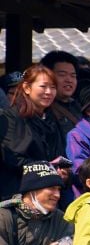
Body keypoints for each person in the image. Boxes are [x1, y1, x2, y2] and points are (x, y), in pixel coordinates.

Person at [0, 65, 67, 199]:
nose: (48, 92)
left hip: (49, 195)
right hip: (17, 193)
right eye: (43, 86)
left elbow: (60, 155)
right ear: (27, 88)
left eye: (53, 87)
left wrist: (63, 171)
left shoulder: (53, 120)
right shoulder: (10, 117)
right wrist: (47, 170)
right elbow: (13, 158)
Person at [42, 50, 83, 138]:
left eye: (73, 76)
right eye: (62, 74)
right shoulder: (40, 109)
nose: (69, 80)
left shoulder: (81, 107)